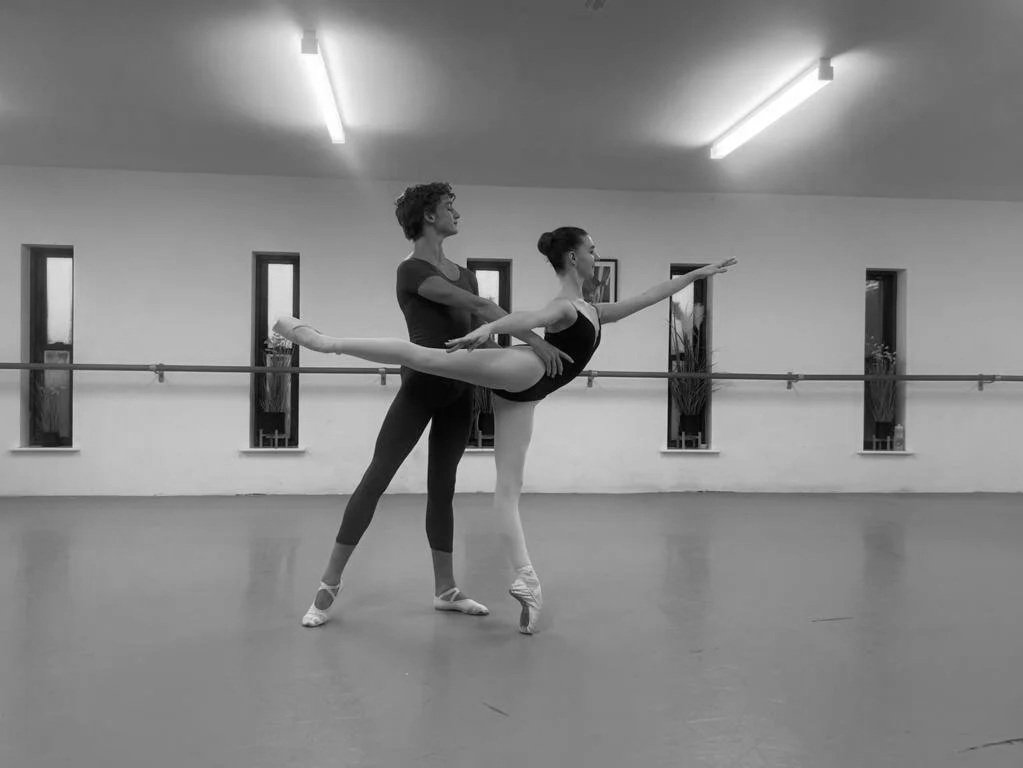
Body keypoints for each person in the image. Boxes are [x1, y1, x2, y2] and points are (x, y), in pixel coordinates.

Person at [280, 226, 736, 632]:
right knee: (423, 356)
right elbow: (529, 320)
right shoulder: (565, 306)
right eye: (592, 250)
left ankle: (526, 582)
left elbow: (650, 296)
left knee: (508, 491)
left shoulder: (596, 310)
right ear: (573, 257)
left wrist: (695, 276)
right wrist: (490, 330)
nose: (596, 256)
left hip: (527, 397)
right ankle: (322, 341)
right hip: (525, 371)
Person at [300, 184, 573, 628]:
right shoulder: (410, 271)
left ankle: (445, 589)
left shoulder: (465, 273)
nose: (456, 213)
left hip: (459, 391)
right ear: (429, 216)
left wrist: (516, 364)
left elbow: (480, 326)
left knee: (443, 488)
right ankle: (328, 585)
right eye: (449, 207)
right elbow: (479, 305)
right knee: (376, 478)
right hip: (420, 388)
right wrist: (537, 343)